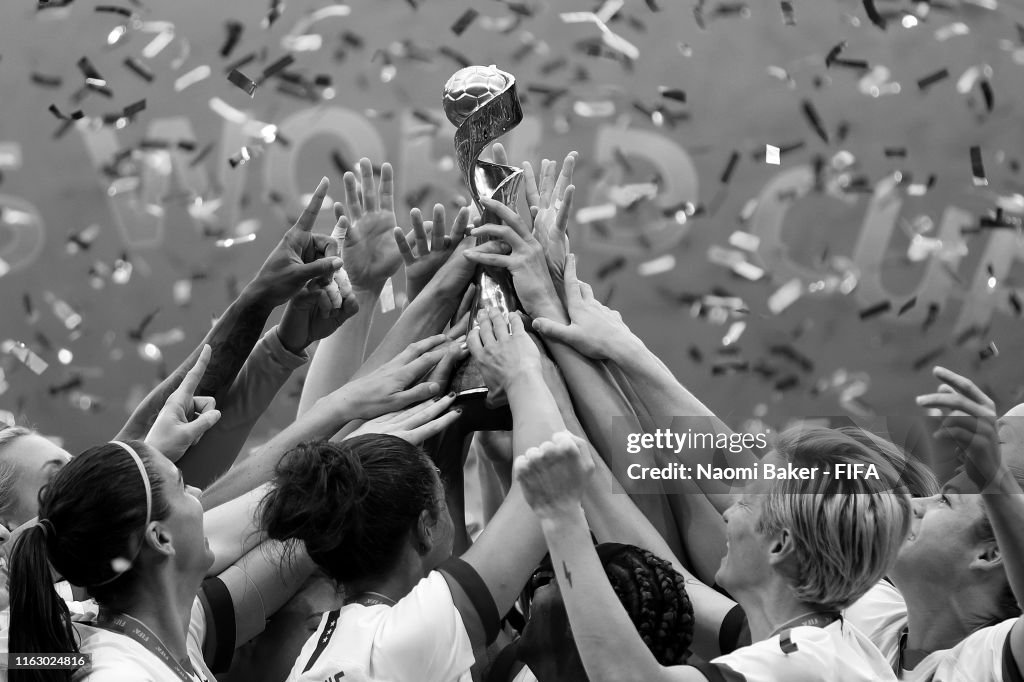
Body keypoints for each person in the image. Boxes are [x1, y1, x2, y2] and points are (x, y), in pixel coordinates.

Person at [260, 309, 570, 682]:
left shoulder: (330, 642)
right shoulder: (408, 640)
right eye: (440, 496)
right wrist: (524, 372)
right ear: (425, 527)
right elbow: (547, 477)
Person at [515, 425, 912, 681]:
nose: (726, 512)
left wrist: (560, 517)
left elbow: (631, 679)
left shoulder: (798, 662)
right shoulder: (823, 637)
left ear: (780, 544)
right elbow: (677, 579)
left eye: (744, 504)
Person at [842, 366, 1024, 680]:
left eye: (945, 500)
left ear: (992, 553)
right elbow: (752, 509)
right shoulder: (870, 618)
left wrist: (994, 474)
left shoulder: (989, 661)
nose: (908, 504)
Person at [9, 440, 226, 681]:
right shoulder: (117, 674)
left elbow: (264, 516)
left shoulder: (172, 631)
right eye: (182, 486)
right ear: (160, 538)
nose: (198, 493)